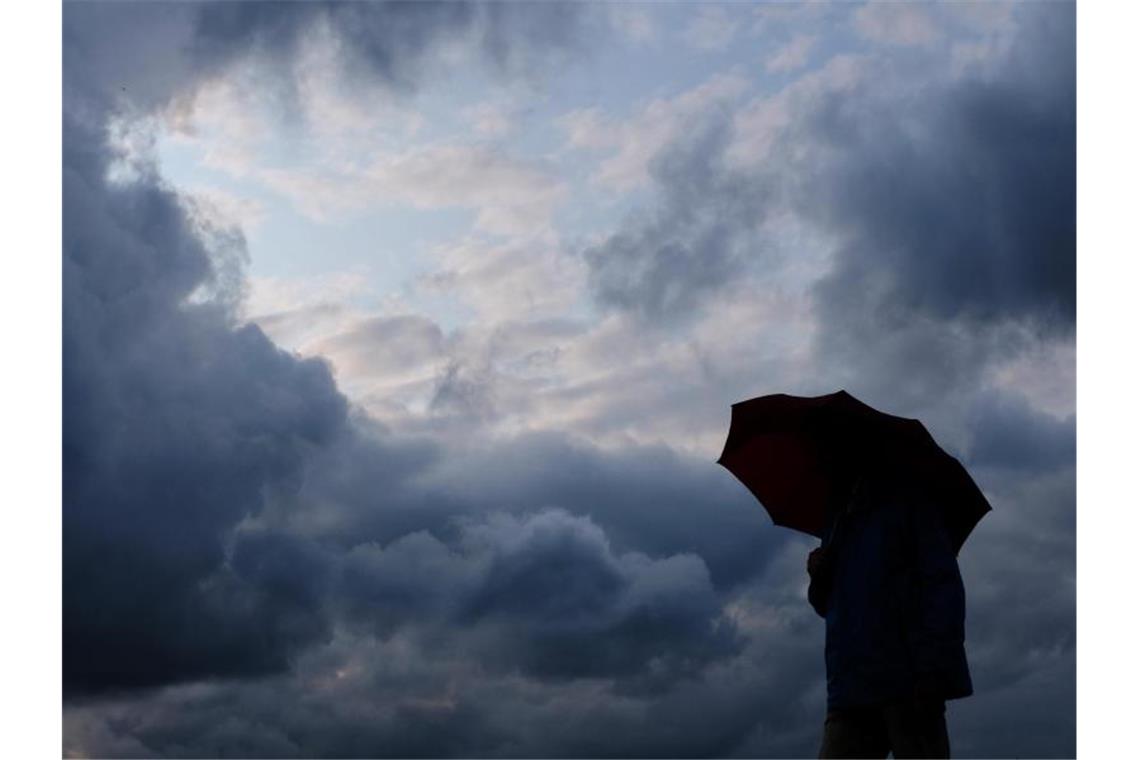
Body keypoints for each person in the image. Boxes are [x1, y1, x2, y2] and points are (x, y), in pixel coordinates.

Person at [806, 468, 973, 759]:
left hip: (909, 682)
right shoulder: (838, 518)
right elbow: (828, 604)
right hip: (850, 686)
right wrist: (819, 577)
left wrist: (932, 671)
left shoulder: (910, 502)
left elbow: (942, 588)